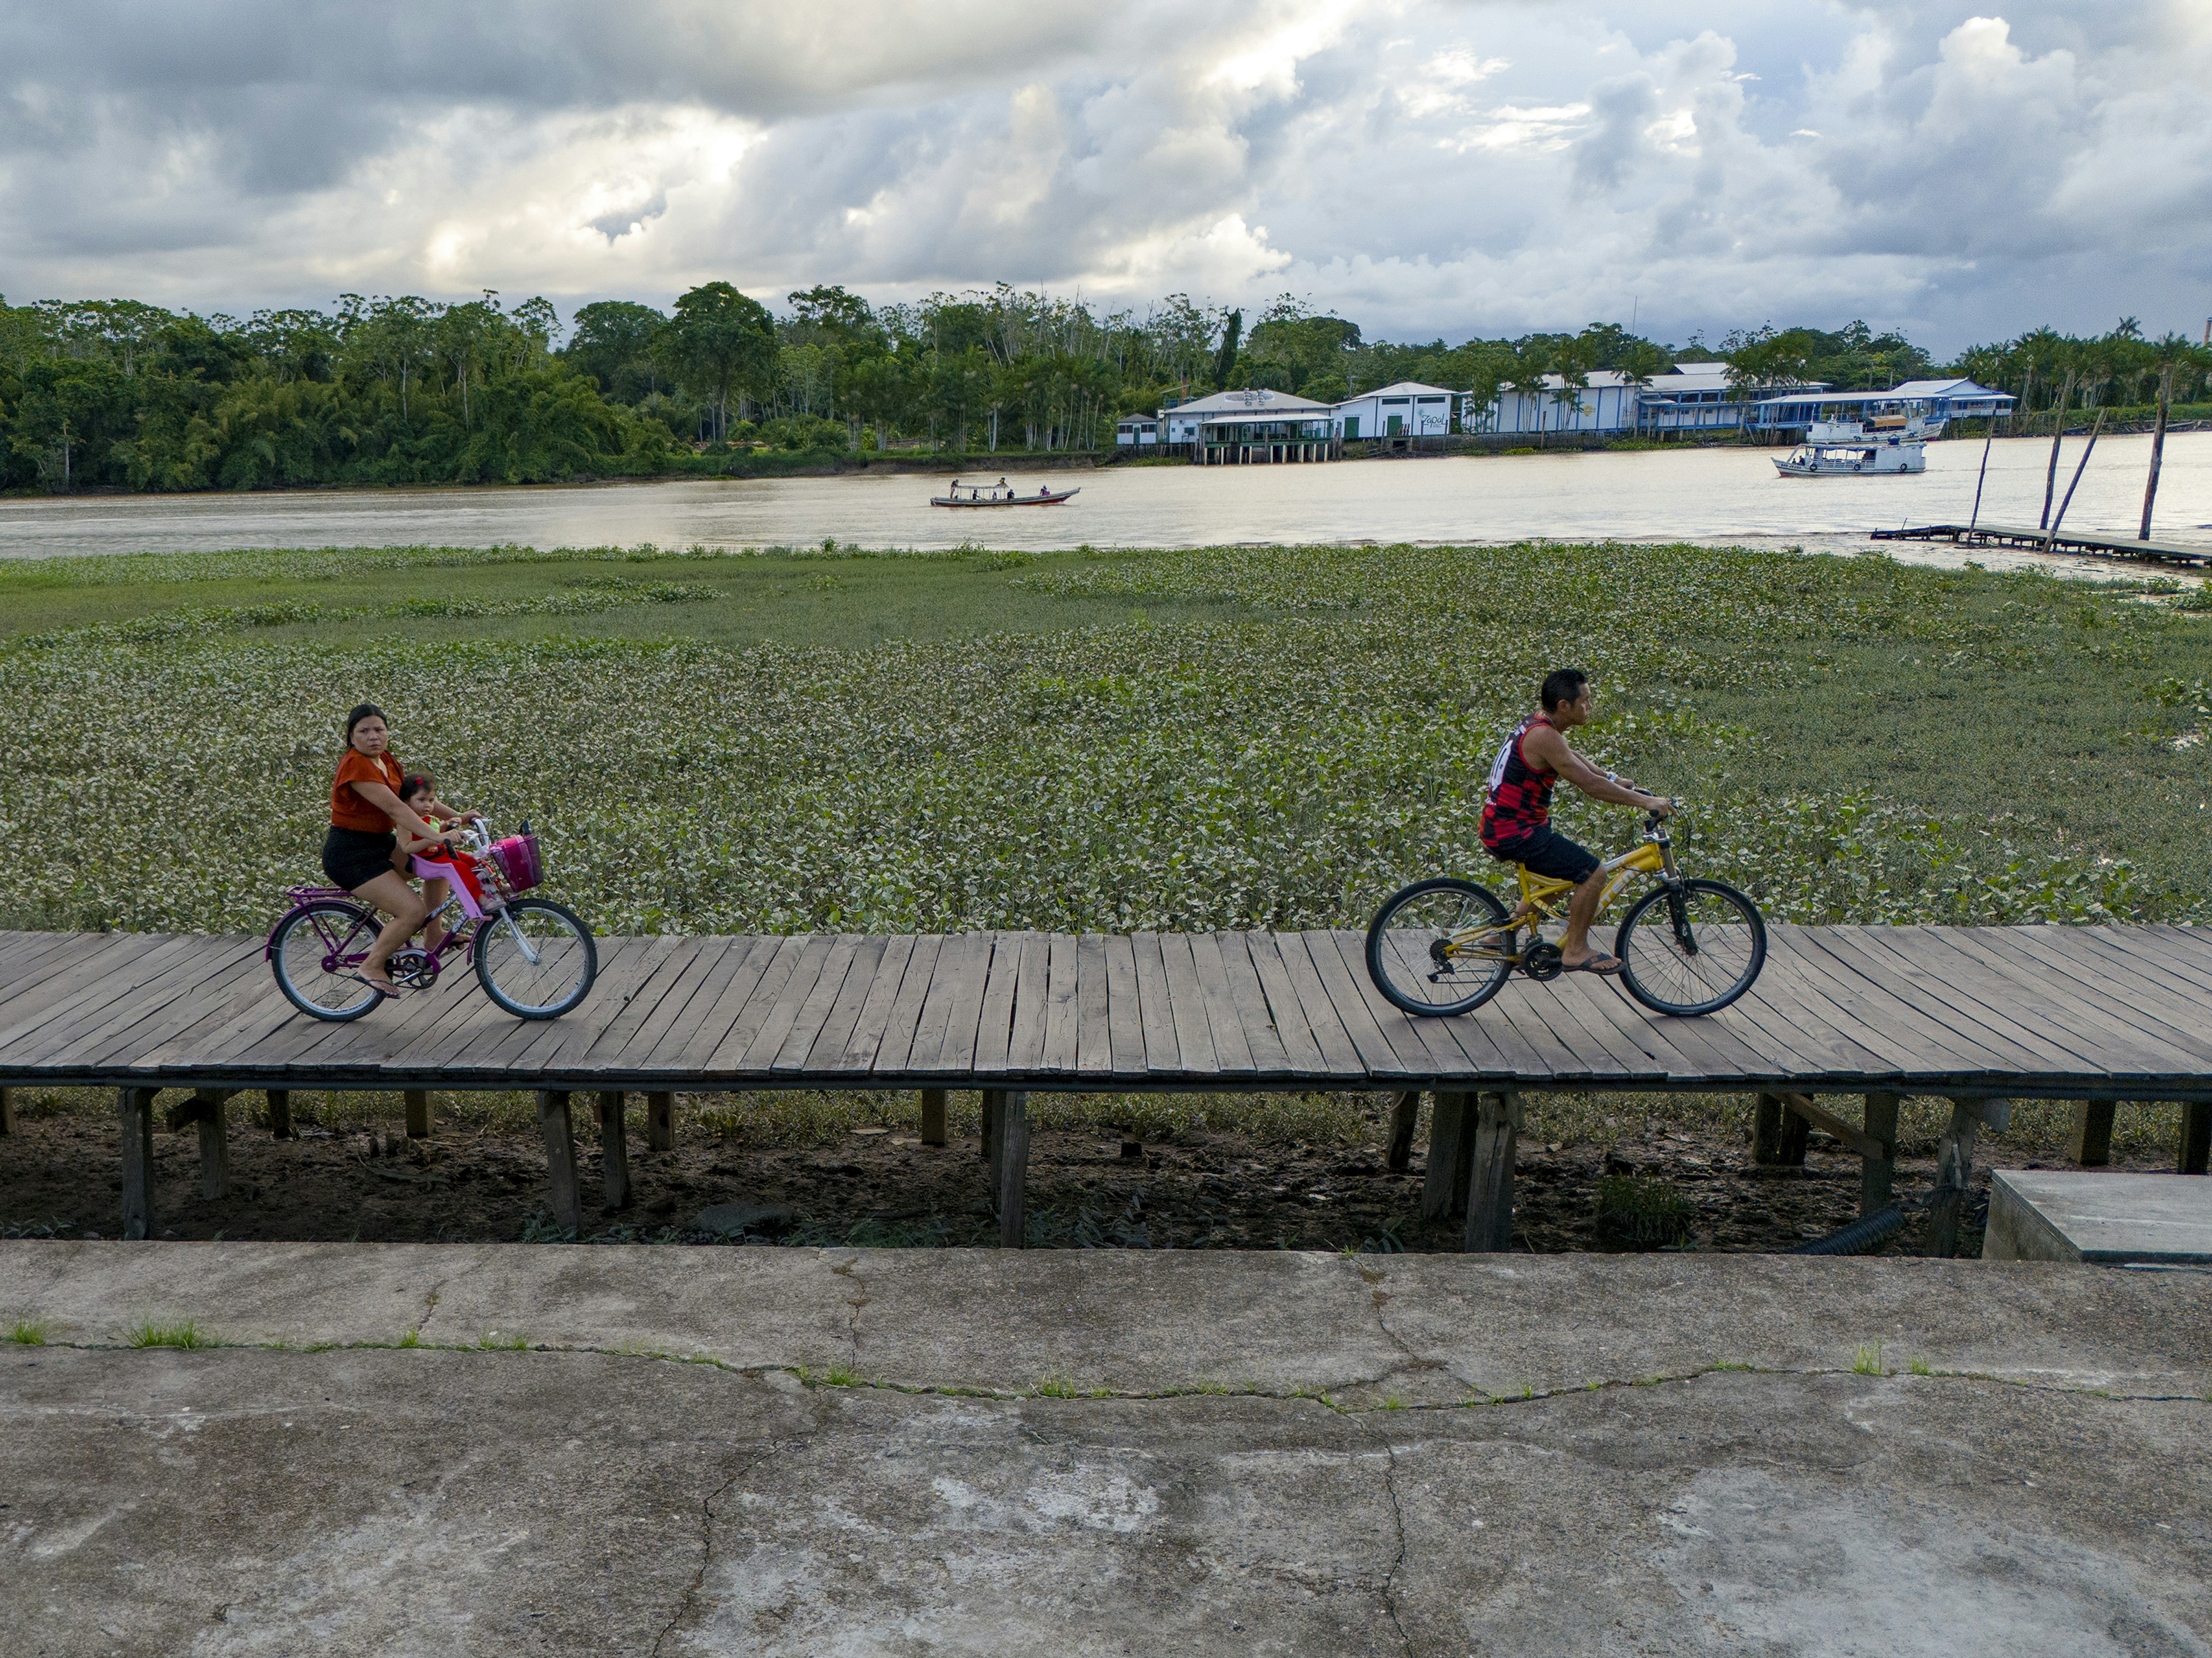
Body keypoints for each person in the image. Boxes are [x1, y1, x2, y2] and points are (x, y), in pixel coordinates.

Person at [1480, 668, 1673, 975]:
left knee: (1557, 882)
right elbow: (1588, 785)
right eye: (1585, 701)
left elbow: (1572, 757)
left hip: (1510, 826)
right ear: (1563, 706)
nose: (1590, 706)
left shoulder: (1539, 725)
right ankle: (1576, 950)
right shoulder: (1544, 736)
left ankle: (1500, 936)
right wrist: (1647, 802)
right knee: (1593, 873)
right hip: (1516, 832)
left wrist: (1612, 779)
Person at [322, 705, 461, 998]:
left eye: (379, 730)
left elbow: (414, 800)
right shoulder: (356, 766)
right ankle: (373, 965)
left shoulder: (386, 760)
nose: (373, 737)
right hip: (351, 855)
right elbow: (395, 808)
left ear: (388, 733)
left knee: (439, 863)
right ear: (351, 737)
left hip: (381, 845)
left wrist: (462, 815)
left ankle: (434, 936)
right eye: (364, 731)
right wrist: (438, 834)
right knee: (412, 911)